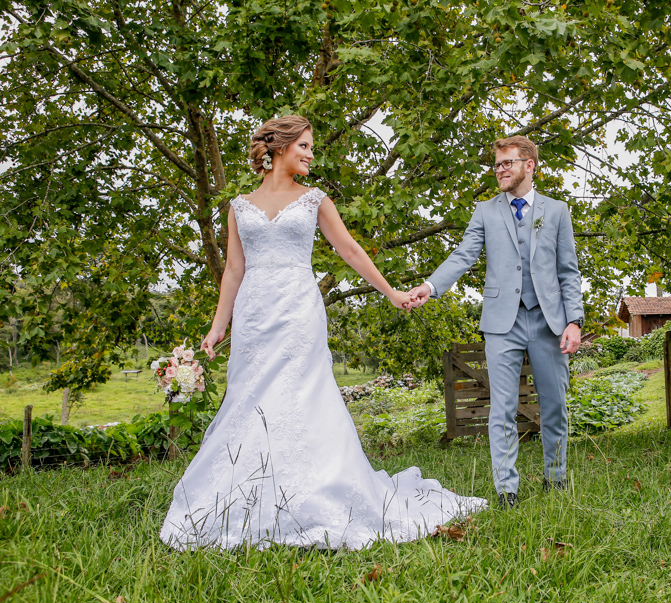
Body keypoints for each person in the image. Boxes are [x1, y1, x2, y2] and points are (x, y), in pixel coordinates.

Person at [159, 115, 486, 550]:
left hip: (298, 310)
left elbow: (349, 249)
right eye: (305, 146)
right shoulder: (239, 205)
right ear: (279, 147)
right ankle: (250, 495)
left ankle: (315, 495)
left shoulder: (315, 200)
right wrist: (219, 327)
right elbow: (235, 269)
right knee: (251, 398)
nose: (311, 154)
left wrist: (390, 292)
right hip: (255, 313)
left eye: (312, 147)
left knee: (300, 395)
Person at [408, 135, 584, 509]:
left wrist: (574, 321)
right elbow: (463, 255)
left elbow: (568, 272)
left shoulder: (556, 211)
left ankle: (556, 479)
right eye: (498, 164)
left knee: (554, 406)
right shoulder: (485, 211)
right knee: (501, 409)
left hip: (549, 322)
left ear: (529, 165)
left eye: (508, 163)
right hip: (502, 323)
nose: (500, 170)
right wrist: (430, 285)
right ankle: (507, 490)